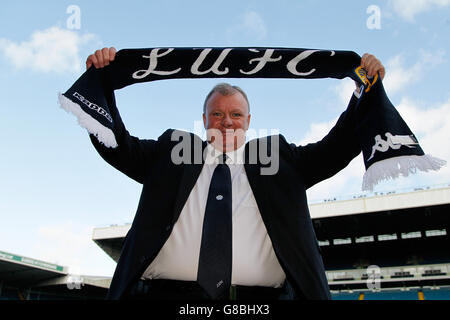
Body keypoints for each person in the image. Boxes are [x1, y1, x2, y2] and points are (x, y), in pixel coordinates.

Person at [86, 47, 385, 300]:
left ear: (249, 120)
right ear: (204, 119)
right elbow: (117, 146)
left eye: (235, 114)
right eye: (217, 114)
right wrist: (102, 83)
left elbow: (335, 149)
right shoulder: (170, 152)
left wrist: (363, 92)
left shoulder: (279, 157)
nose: (226, 122)